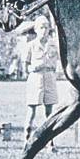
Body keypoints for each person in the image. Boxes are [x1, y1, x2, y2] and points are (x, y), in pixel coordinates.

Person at [24, 15, 58, 150]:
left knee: (50, 112)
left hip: (49, 76)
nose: (44, 30)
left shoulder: (54, 44)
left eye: (46, 27)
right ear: (36, 29)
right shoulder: (31, 45)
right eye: (41, 27)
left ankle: (50, 142)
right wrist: (31, 68)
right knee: (31, 109)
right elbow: (25, 65)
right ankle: (26, 140)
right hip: (35, 77)